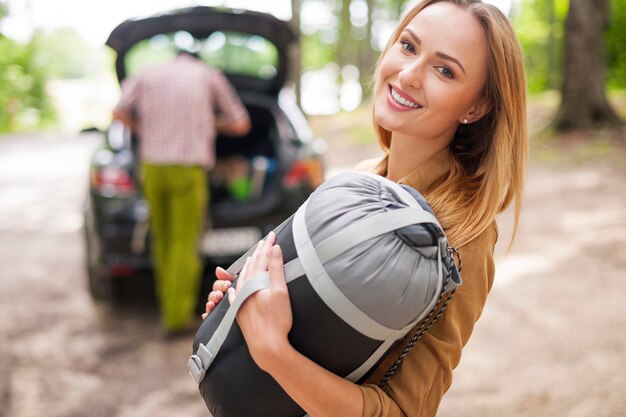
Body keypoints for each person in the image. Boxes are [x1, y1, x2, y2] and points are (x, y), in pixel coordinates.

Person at [202, 0, 528, 415]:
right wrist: (245, 299)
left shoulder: (464, 235)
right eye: (408, 46)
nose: (408, 75)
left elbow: (406, 411)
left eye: (445, 70)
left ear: (475, 107)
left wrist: (273, 353)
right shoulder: (361, 177)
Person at [113, 49, 251, 333]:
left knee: (162, 239)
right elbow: (241, 123)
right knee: (185, 243)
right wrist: (210, 122)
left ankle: (167, 307)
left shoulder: (147, 74)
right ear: (197, 57)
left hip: (152, 168)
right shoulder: (208, 75)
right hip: (188, 169)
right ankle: (177, 318)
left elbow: (118, 112)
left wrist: (143, 128)